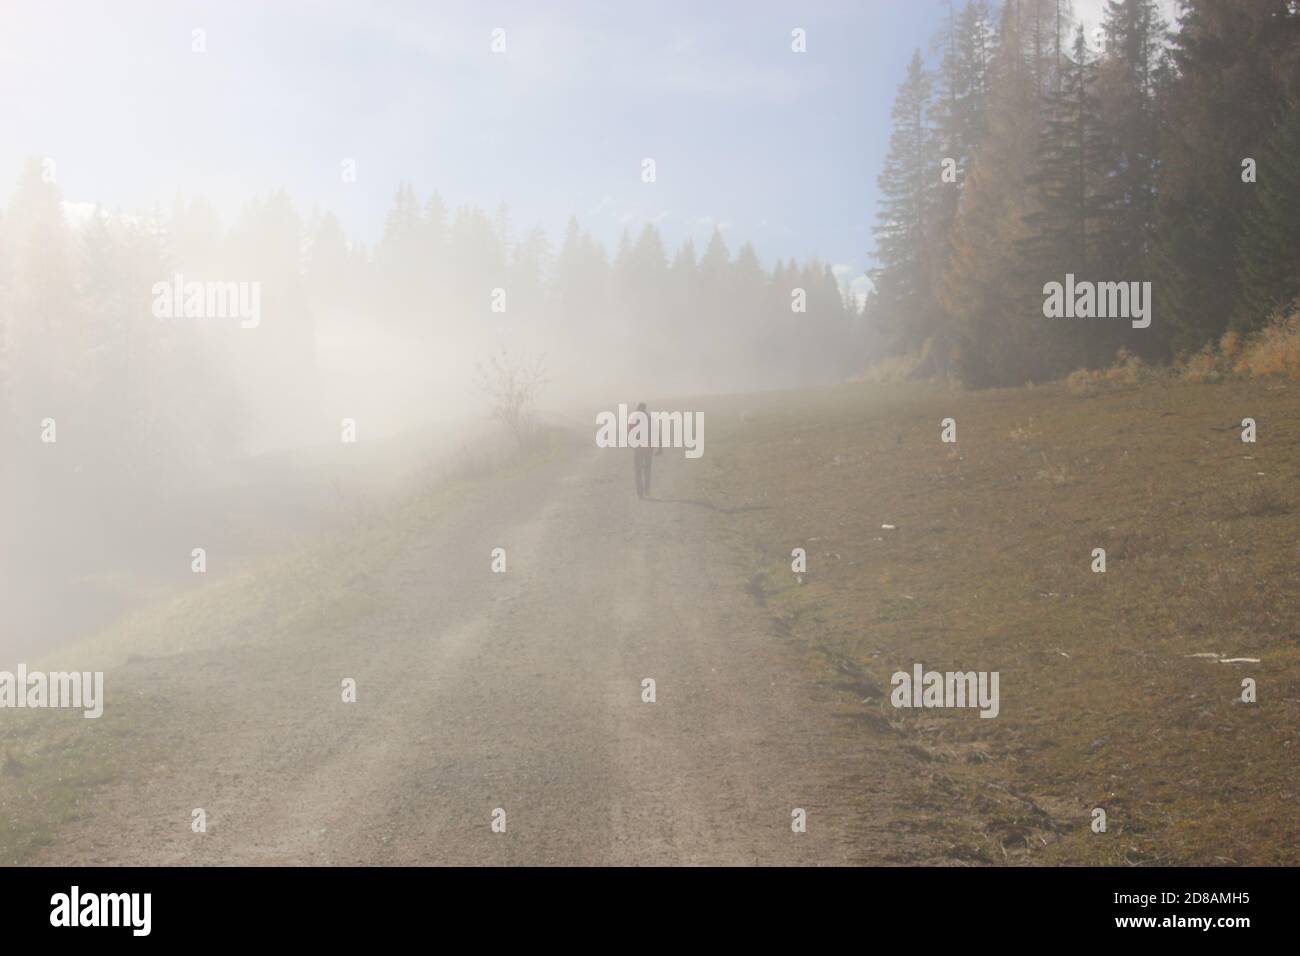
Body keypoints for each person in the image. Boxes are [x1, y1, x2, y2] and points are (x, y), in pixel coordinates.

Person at [633, 402, 662, 498]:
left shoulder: (635, 419)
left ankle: (639, 492)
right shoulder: (650, 419)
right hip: (649, 448)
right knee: (647, 469)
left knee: (638, 470)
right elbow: (657, 433)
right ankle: (647, 489)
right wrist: (660, 447)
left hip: (639, 449)